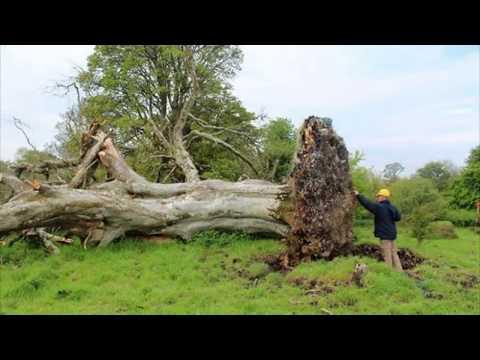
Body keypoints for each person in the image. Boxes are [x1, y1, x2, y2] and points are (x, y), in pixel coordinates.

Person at [354, 188, 403, 271]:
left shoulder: (379, 207)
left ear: (384, 197)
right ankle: (399, 272)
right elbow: (398, 218)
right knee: (394, 254)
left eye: (379, 196)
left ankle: (389, 273)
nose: (377, 198)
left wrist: (358, 195)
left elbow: (367, 204)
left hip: (385, 236)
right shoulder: (392, 207)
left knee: (387, 255)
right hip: (392, 234)